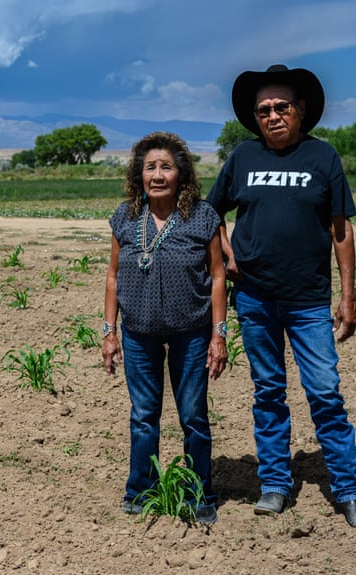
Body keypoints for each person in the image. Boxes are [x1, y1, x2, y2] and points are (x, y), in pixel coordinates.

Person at [206, 64, 356, 530]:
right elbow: (210, 210)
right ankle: (276, 484)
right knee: (268, 393)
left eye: (282, 107)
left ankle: (348, 489)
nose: (273, 115)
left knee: (324, 392)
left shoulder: (323, 159)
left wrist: (348, 296)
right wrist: (223, 245)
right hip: (255, 298)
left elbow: (341, 231)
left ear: (301, 112)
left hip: (307, 301)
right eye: (264, 109)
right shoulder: (241, 157)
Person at [102, 131, 227, 525]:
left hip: (191, 332)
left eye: (166, 167)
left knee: (193, 415)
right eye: (150, 167)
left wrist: (218, 334)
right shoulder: (124, 216)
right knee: (143, 415)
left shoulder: (202, 216)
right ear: (139, 174)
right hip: (138, 333)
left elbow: (219, 275)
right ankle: (141, 490)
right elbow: (112, 275)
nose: (158, 175)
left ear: (181, 174)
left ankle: (198, 493)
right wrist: (109, 331)